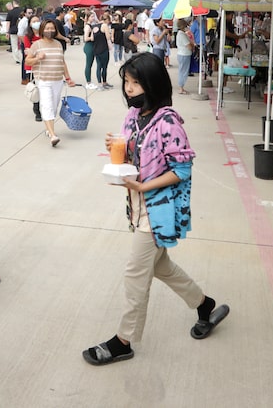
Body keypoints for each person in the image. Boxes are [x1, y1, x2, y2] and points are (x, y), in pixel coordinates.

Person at [82, 52, 229, 366]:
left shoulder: (168, 121)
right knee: (161, 267)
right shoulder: (134, 117)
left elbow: (183, 169)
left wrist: (143, 187)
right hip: (137, 204)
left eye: (136, 82)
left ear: (152, 84)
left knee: (136, 273)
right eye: (126, 82)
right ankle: (204, 305)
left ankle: (124, 341)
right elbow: (134, 155)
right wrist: (115, 149)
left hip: (157, 208)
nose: (129, 89)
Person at [25, 18, 75, 146]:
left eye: (52, 28)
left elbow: (62, 62)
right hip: (43, 80)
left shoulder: (58, 44)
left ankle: (48, 129)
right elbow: (27, 61)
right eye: (47, 28)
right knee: (47, 105)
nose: (50, 31)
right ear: (42, 30)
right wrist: (37, 58)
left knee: (54, 106)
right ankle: (53, 135)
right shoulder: (37, 45)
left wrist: (68, 78)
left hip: (58, 80)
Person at [22, 15, 42, 121]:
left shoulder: (44, 35)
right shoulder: (28, 37)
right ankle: (37, 110)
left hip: (44, 65)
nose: (36, 22)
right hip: (33, 66)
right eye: (34, 21)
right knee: (36, 88)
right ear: (30, 24)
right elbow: (28, 51)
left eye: (38, 20)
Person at [175, 18, 194, 95]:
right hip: (184, 54)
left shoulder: (181, 34)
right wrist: (192, 44)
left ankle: (181, 87)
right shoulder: (182, 35)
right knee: (183, 71)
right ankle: (181, 87)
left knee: (182, 71)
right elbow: (189, 46)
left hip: (182, 54)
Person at [95, 13, 113, 89]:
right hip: (103, 48)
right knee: (104, 67)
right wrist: (110, 33)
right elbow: (108, 37)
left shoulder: (95, 26)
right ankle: (104, 82)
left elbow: (93, 38)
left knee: (98, 66)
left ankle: (99, 83)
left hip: (96, 48)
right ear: (107, 20)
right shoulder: (105, 26)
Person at [82, 11, 99, 89]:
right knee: (88, 64)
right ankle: (88, 82)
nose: (93, 18)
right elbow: (85, 38)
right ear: (88, 17)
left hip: (92, 46)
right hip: (89, 46)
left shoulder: (90, 25)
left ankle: (89, 82)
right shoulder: (88, 26)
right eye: (92, 16)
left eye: (93, 16)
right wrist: (91, 38)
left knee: (90, 64)